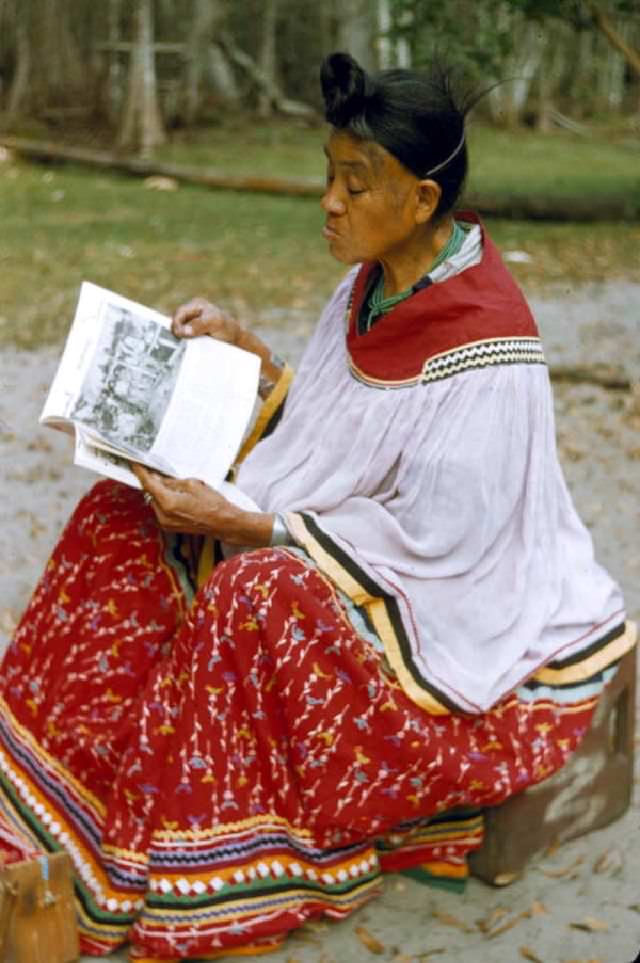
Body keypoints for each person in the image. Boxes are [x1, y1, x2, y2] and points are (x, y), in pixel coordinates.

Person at [0, 52, 635, 962]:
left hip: (433, 615)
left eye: (354, 182)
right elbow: (343, 437)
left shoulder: (490, 357)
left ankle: (179, 859)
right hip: (336, 546)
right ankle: (49, 794)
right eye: (327, 175)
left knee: (254, 596)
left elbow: (442, 548)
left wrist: (254, 529)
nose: (329, 201)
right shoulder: (371, 281)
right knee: (116, 520)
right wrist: (251, 355)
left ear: (421, 198)